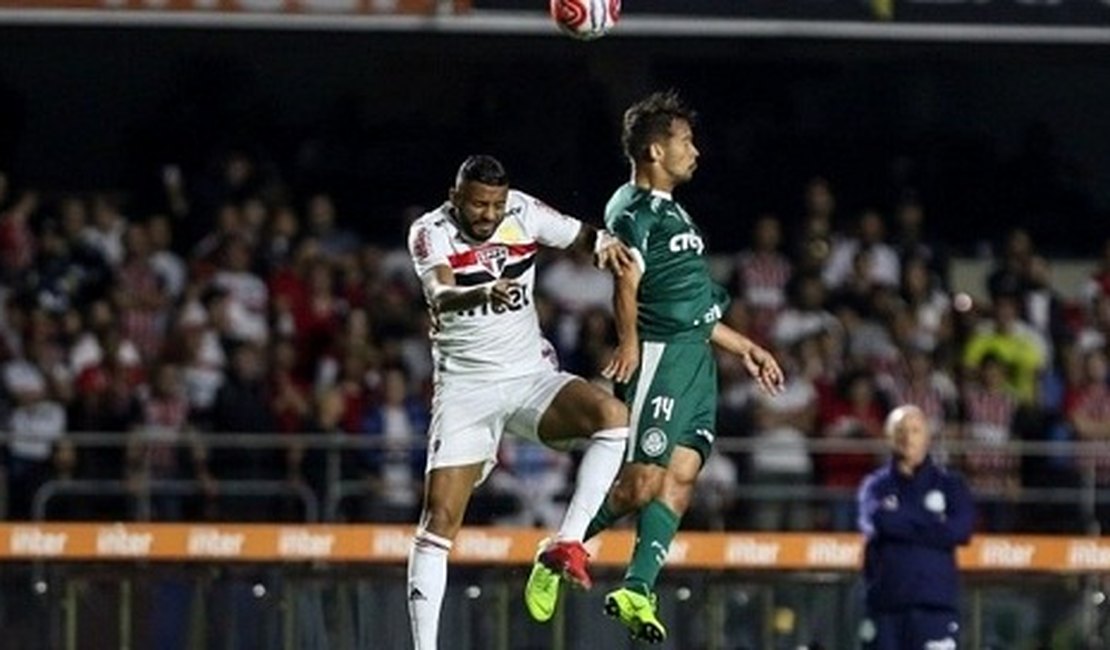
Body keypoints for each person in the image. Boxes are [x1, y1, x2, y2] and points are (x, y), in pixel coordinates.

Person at [524, 91, 785, 643]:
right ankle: (556, 553)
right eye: (685, 141)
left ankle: (638, 588)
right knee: (641, 484)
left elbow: (687, 302)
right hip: (663, 360)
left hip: (697, 359)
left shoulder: (674, 210)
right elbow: (626, 278)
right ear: (653, 151)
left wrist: (745, 348)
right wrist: (630, 345)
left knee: (684, 476)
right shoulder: (632, 209)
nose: (696, 151)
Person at [405, 154, 632, 650]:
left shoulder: (524, 213)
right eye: (478, 204)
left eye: (495, 204)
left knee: (613, 419)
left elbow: (583, 236)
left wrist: (608, 245)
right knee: (439, 521)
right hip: (466, 389)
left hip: (528, 376)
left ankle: (565, 543)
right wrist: (485, 294)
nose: (488, 214)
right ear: (455, 197)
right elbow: (441, 294)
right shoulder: (430, 231)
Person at [857, 405, 975, 649]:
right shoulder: (875, 486)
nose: (907, 437)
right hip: (886, 609)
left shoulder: (951, 485)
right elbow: (879, 522)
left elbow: (961, 530)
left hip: (936, 609)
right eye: (900, 430)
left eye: (915, 430)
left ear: (927, 437)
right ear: (889, 436)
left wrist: (901, 520)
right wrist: (933, 524)